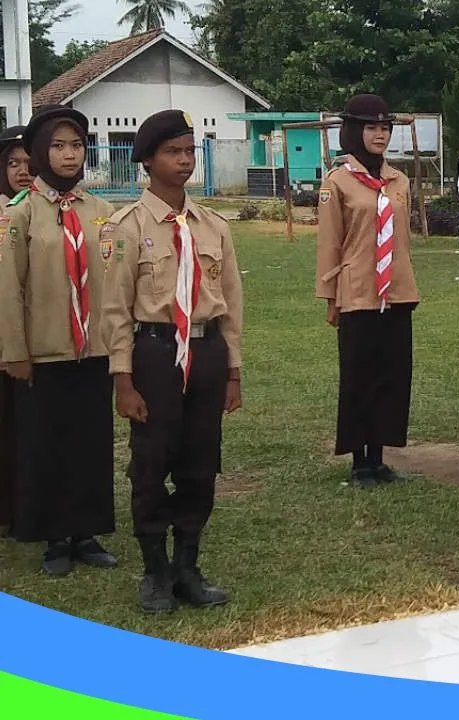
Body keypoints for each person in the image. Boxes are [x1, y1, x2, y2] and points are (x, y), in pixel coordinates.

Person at [100, 110, 242, 613]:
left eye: (188, 151)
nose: (183, 161)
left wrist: (232, 369)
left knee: (201, 463)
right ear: (146, 161)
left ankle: (188, 567)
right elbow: (115, 311)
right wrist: (123, 380)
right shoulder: (123, 228)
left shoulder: (213, 226)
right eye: (172, 152)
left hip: (204, 350)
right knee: (152, 462)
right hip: (155, 354)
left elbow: (231, 301)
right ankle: (155, 571)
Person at [0, 105, 117, 576]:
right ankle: (53, 536)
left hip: (93, 349)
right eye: (58, 146)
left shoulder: (102, 212)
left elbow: (114, 279)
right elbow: (9, 290)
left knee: (91, 440)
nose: (69, 155)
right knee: (45, 442)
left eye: (76, 145)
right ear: (39, 153)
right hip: (44, 350)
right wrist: (15, 353)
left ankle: (86, 532)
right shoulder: (21, 215)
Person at [316, 95, 420, 488]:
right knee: (359, 376)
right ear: (354, 132)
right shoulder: (338, 182)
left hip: (395, 292)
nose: (380, 134)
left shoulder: (399, 180)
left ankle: (379, 456)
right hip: (357, 292)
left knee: (391, 376)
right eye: (372, 127)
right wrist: (330, 297)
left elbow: (403, 238)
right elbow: (330, 243)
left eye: (385, 127)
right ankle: (359, 461)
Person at [0, 124, 28, 539]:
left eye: (29, 162)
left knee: (27, 424)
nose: (23, 171)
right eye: (12, 163)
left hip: (33, 335)